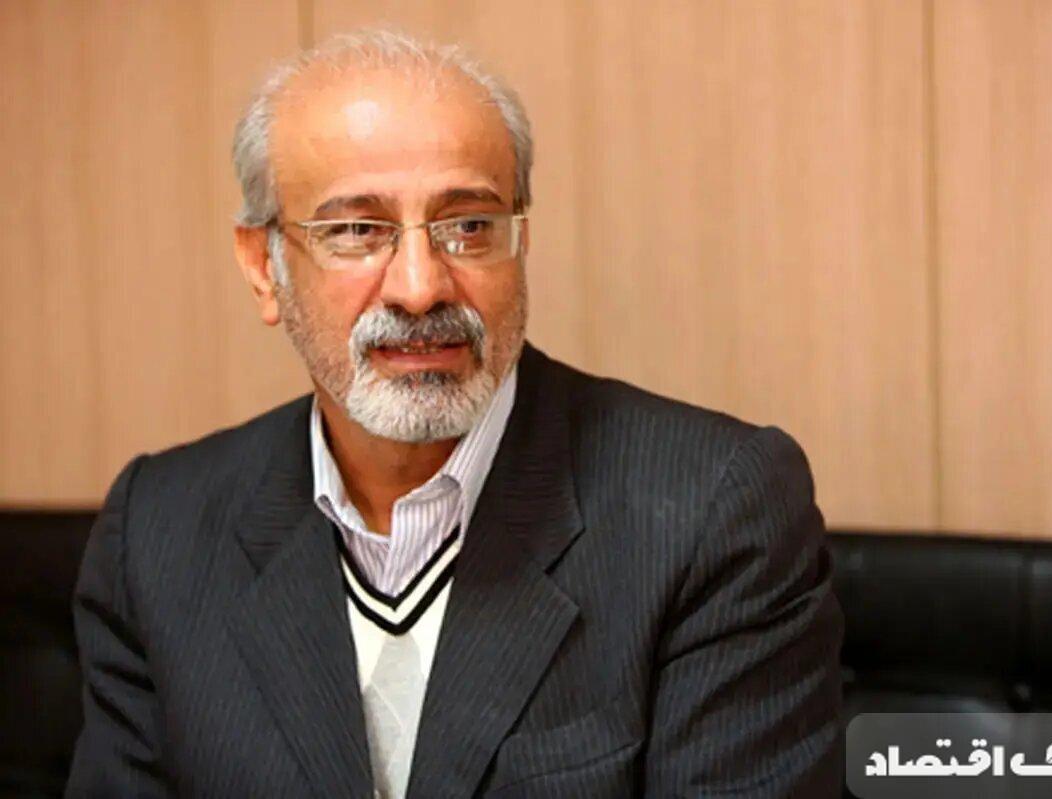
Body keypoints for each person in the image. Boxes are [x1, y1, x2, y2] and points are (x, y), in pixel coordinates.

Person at [67, 28, 842, 798]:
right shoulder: (159, 533)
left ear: (521, 240)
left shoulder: (712, 509)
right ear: (262, 267)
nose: (419, 287)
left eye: (469, 226)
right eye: (356, 231)